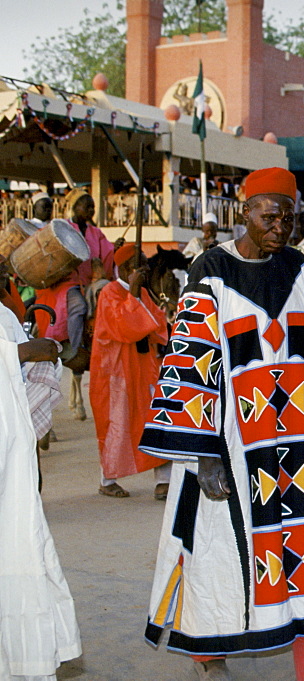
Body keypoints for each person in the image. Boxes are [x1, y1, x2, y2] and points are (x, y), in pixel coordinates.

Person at [138, 167, 304, 681]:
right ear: (245, 212)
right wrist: (203, 453)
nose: (281, 225)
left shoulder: (301, 270)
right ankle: (207, 654)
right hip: (231, 447)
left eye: (289, 216)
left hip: (296, 447)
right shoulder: (210, 271)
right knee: (220, 554)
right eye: (270, 215)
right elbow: (190, 362)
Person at [0, 305, 82, 679]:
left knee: (19, 548)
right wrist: (18, 353)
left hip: (10, 451)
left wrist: (38, 352)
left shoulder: (4, 314)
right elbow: (18, 354)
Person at [89, 244, 171, 499]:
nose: (147, 269)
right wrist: (133, 294)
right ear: (127, 269)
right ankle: (107, 479)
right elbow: (126, 327)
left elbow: (156, 323)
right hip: (117, 371)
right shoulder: (109, 293)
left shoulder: (144, 293)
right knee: (116, 422)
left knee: (157, 419)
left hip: (144, 367)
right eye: (143, 264)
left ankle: (164, 480)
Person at [34, 189, 116, 420]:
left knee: (108, 298)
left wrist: (115, 248)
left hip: (91, 280)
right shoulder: (61, 227)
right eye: (86, 206)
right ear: (74, 207)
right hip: (67, 282)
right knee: (79, 306)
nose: (90, 211)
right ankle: (74, 347)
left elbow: (107, 255)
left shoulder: (96, 232)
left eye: (92, 207)